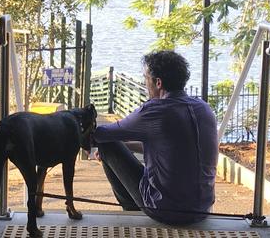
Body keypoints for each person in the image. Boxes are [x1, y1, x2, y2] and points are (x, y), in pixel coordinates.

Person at [92, 50, 218, 225]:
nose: (145, 84)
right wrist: (126, 146)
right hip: (202, 208)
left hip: (165, 209)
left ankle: (131, 212)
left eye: (146, 78)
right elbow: (168, 149)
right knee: (117, 144)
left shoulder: (154, 111)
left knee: (107, 145)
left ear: (158, 83)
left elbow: (100, 134)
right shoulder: (203, 108)